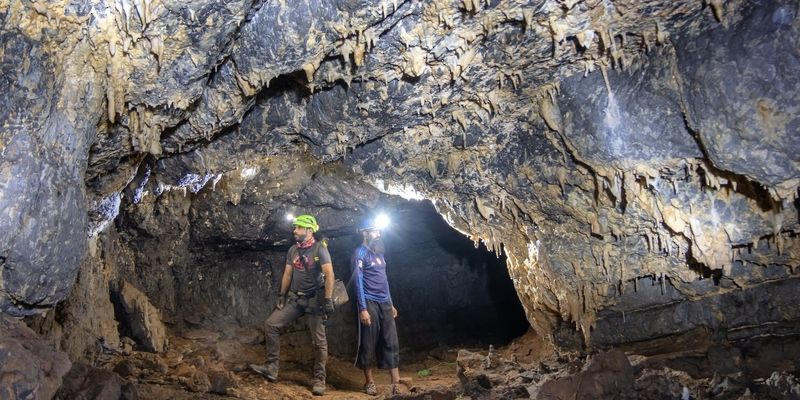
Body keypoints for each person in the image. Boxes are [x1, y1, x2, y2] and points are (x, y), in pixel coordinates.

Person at [251, 214, 335, 396]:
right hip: (296, 299)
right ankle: (272, 368)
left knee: (319, 342)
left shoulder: (320, 249)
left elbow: (329, 275)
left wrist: (328, 299)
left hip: (314, 301)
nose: (295, 231)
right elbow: (287, 274)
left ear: (309, 230)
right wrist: (282, 295)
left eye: (298, 228)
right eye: (295, 227)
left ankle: (319, 379)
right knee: (271, 325)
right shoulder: (293, 250)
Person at [352, 218, 402, 396]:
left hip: (384, 302)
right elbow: (358, 281)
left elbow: (384, 279)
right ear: (365, 233)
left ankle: (396, 382)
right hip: (369, 301)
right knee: (368, 341)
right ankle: (369, 382)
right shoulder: (360, 253)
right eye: (375, 231)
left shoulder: (380, 253)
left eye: (379, 231)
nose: (379, 234)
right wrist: (362, 308)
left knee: (391, 340)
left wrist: (390, 302)